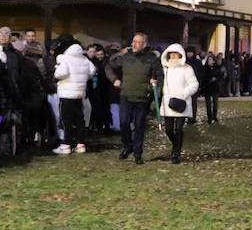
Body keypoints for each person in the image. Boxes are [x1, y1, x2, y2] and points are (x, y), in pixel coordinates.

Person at [106, 32, 161, 163]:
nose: (133, 44)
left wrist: (153, 84)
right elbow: (108, 67)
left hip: (142, 98)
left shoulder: (152, 59)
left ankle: (137, 152)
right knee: (124, 123)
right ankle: (127, 146)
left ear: (144, 44)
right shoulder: (126, 57)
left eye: (137, 42)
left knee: (139, 126)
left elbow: (160, 76)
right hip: (126, 96)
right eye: (133, 41)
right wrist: (114, 80)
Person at [157, 44, 200, 163]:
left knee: (178, 129)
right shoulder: (165, 68)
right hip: (168, 104)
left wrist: (184, 94)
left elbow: (194, 84)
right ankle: (176, 145)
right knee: (169, 130)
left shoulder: (187, 68)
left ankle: (176, 153)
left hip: (182, 103)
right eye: (172, 53)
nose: (174, 56)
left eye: (177, 54)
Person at [52, 40, 93, 154]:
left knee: (66, 120)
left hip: (66, 94)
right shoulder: (84, 59)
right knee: (80, 120)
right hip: (80, 93)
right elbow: (92, 70)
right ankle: (81, 144)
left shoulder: (64, 58)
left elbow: (60, 73)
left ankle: (66, 144)